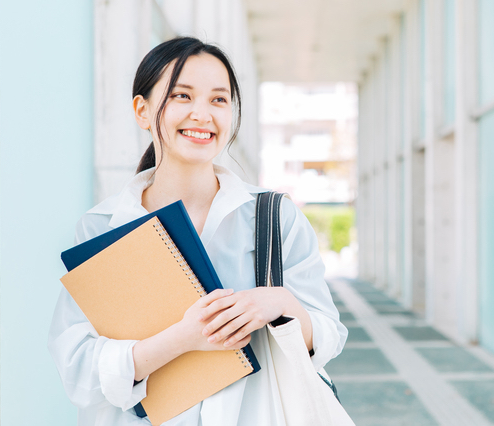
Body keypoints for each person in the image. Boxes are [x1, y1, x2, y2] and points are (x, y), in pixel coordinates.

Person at [48, 36, 347, 425]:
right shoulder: (103, 228)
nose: (202, 115)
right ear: (142, 110)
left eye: (219, 100)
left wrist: (281, 303)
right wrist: (183, 338)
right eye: (182, 96)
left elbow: (326, 337)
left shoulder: (273, 218)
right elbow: (80, 370)